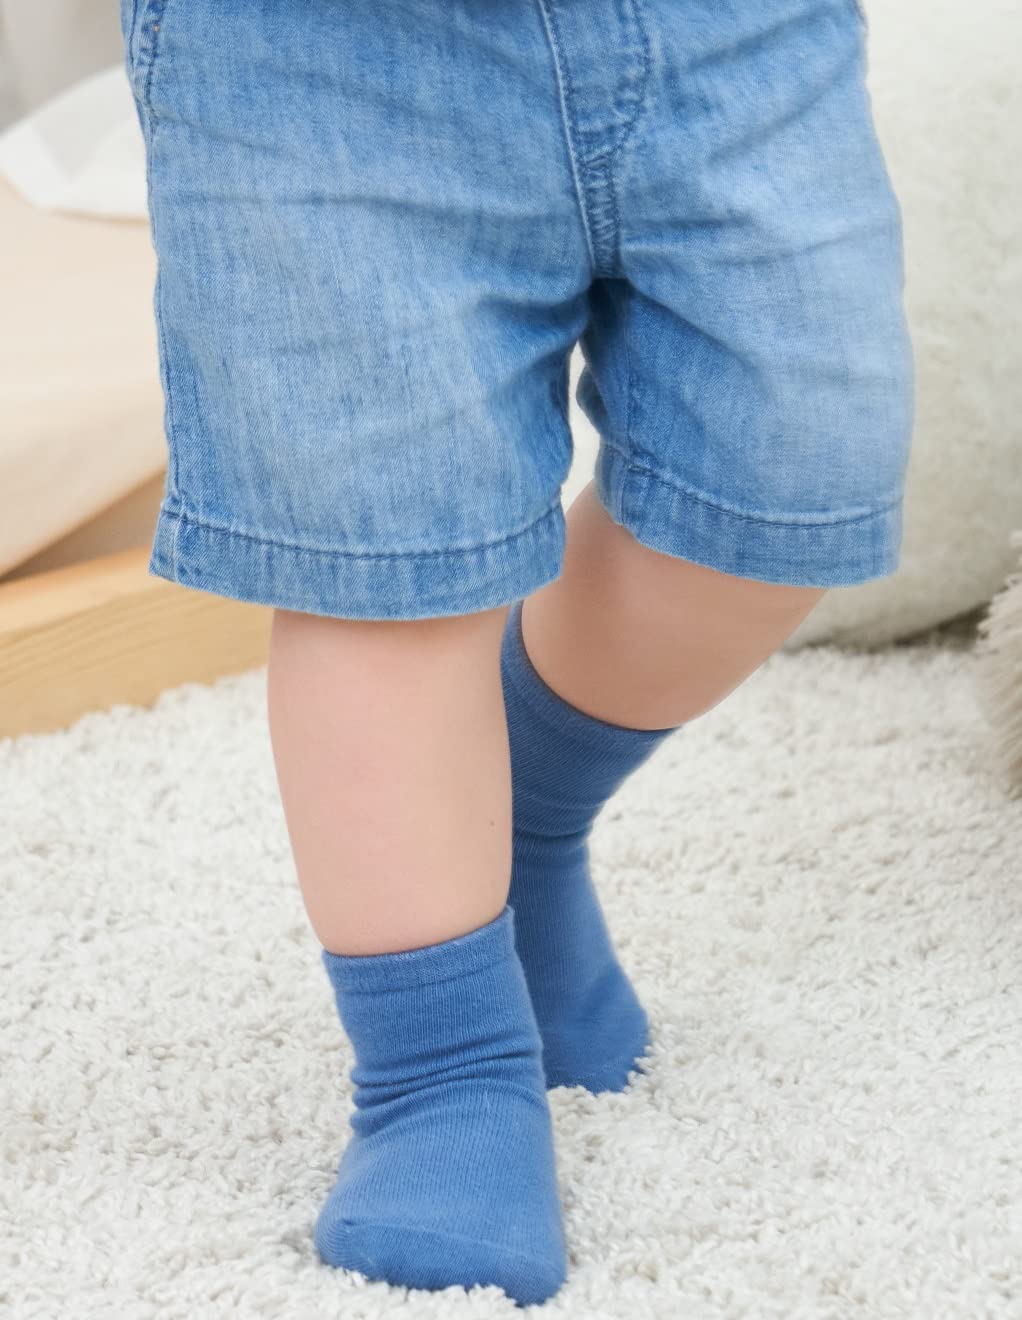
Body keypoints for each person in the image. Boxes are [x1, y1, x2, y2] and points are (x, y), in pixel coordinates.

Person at [120, 0, 913, 1305]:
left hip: (734, 39)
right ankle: (441, 1073)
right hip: (318, 63)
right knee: (384, 558)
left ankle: (520, 831)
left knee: (788, 489)